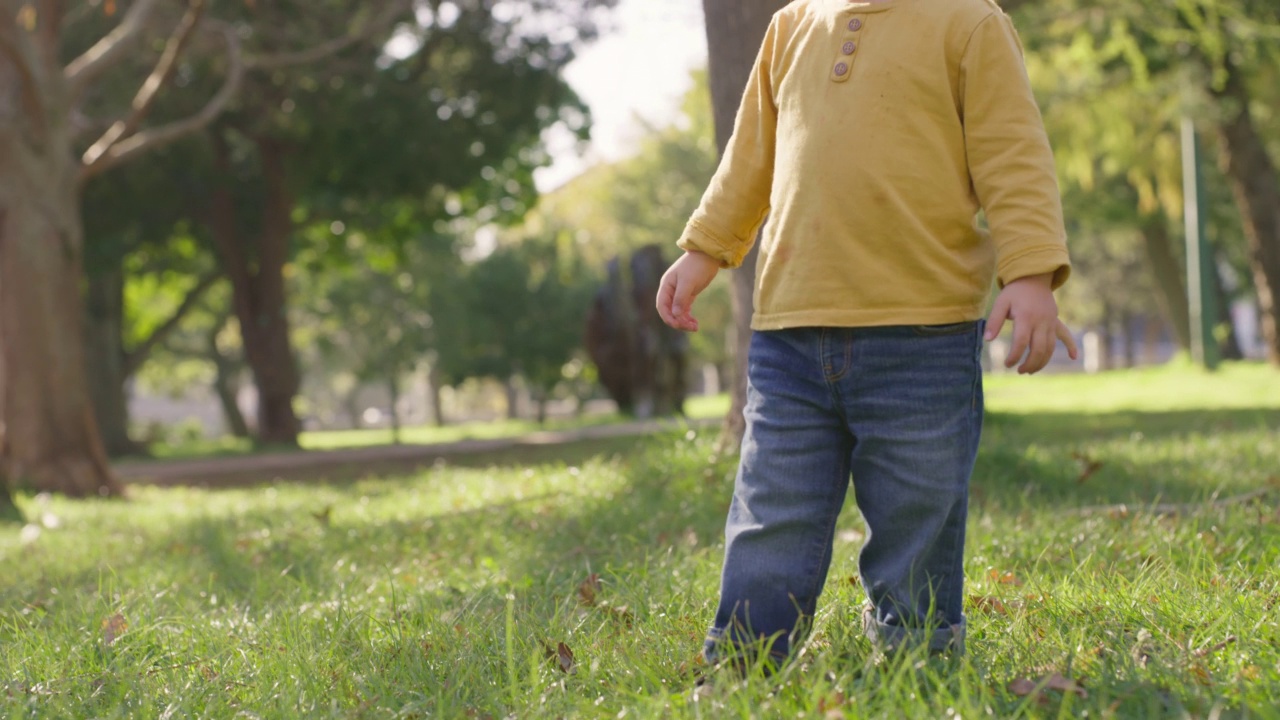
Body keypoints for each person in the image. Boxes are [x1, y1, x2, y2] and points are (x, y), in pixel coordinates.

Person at [655, 0, 1077, 668]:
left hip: (923, 335)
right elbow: (751, 154)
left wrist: (1029, 273)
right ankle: (746, 661)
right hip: (790, 332)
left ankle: (918, 655)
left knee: (918, 513)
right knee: (772, 512)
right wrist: (706, 248)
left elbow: (1012, 154)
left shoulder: (968, 22)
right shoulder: (793, 24)